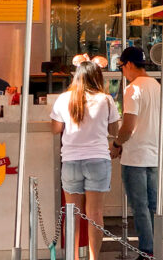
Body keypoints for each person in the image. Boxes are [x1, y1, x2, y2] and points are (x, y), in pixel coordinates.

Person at [51, 59, 119, 260]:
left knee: (72, 214)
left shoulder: (64, 99)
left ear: (76, 77)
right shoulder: (106, 100)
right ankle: (93, 258)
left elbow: (55, 129)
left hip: (71, 160)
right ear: (97, 78)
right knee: (95, 214)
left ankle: (72, 257)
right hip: (98, 160)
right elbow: (114, 130)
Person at [109, 46, 160, 259]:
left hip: (135, 155)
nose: (122, 71)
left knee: (139, 206)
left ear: (129, 64)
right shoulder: (157, 86)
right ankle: (154, 247)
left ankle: (147, 250)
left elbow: (128, 125)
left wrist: (117, 144)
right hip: (154, 154)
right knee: (151, 205)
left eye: (121, 67)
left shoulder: (133, 89)